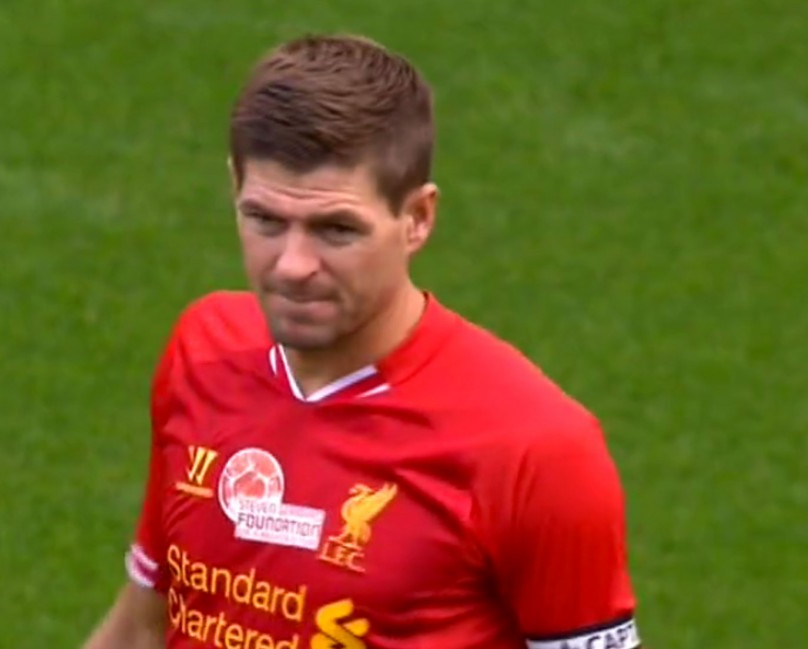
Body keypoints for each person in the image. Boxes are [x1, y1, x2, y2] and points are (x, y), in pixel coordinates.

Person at [81, 33, 642, 649]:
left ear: (418, 219)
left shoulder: (534, 450)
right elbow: (143, 625)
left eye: (336, 229)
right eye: (265, 220)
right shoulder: (204, 352)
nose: (292, 265)